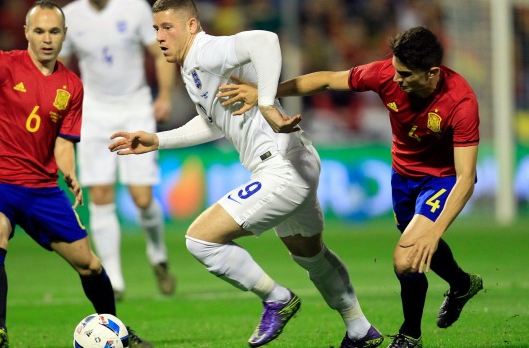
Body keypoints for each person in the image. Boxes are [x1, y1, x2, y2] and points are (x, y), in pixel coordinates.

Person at [109, 1, 384, 347]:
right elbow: (213, 124)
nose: (160, 37)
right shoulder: (191, 67)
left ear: (192, 25)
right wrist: (157, 140)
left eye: (168, 28)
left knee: (201, 239)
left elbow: (265, 41)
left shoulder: (207, 50)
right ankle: (360, 329)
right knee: (310, 255)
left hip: (281, 167)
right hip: (295, 160)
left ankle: (276, 299)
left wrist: (266, 101)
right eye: (156, 30)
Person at [218, 26, 484, 348]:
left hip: (441, 179)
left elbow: (466, 177)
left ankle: (409, 336)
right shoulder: (386, 73)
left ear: (432, 73)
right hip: (402, 175)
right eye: (395, 70)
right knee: (415, 244)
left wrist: (435, 229)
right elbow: (327, 79)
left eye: (405, 74)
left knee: (406, 257)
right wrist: (266, 93)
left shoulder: (461, 101)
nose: (396, 79)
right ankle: (461, 284)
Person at [0, 1, 152, 347]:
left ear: (64, 36)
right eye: (39, 31)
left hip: (42, 188)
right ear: (26, 32)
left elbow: (63, 142)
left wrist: (69, 172)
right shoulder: (1, 65)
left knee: (88, 264)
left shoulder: (71, 85)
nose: (46, 39)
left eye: (54, 32)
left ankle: (117, 329)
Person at [58, 0, 176, 301]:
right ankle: (114, 278)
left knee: (142, 197)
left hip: (135, 107)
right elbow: (57, 70)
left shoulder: (135, 8)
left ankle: (158, 253)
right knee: (100, 195)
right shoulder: (71, 16)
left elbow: (160, 54)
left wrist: (163, 95)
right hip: (93, 113)